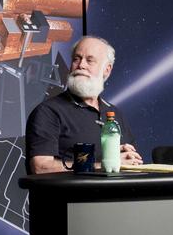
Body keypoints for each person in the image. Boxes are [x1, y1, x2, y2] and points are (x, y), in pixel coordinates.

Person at [24, 35, 143, 173]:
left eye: (90, 60)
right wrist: (103, 164)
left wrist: (129, 160)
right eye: (76, 59)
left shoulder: (115, 114)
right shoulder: (48, 112)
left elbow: (130, 162)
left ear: (107, 69)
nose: (81, 65)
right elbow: (40, 167)